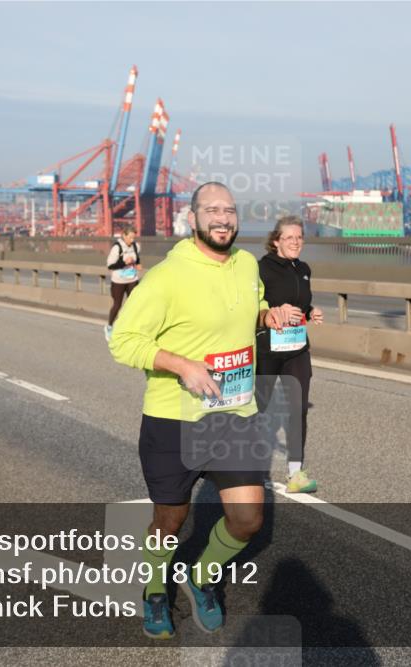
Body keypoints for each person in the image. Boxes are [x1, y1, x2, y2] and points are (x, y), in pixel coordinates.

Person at [109, 182, 288, 639]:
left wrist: (268, 315)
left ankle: (202, 576)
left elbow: (253, 303)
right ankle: (155, 589)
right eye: (212, 210)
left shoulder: (247, 264)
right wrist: (181, 365)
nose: (222, 218)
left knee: (248, 521)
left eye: (229, 210)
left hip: (236, 416)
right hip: (175, 420)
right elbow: (124, 341)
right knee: (169, 522)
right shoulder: (167, 277)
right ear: (192, 219)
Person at [255, 216, 324, 493]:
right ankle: (252, 470)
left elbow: (302, 304)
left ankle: (296, 474)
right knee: (259, 410)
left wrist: (311, 312)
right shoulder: (261, 268)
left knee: (298, 409)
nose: (296, 242)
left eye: (299, 237)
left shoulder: (304, 269)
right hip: (268, 349)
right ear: (276, 241)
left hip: (296, 349)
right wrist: (272, 312)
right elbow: (252, 305)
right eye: (289, 237)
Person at [104, 225, 141, 341]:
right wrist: (124, 262)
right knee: (117, 305)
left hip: (132, 279)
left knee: (134, 304)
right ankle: (109, 327)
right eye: (130, 238)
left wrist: (137, 264)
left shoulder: (136, 246)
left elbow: (137, 259)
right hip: (119, 280)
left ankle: (131, 328)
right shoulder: (117, 247)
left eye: (133, 238)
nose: (132, 240)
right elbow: (110, 265)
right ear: (124, 236)